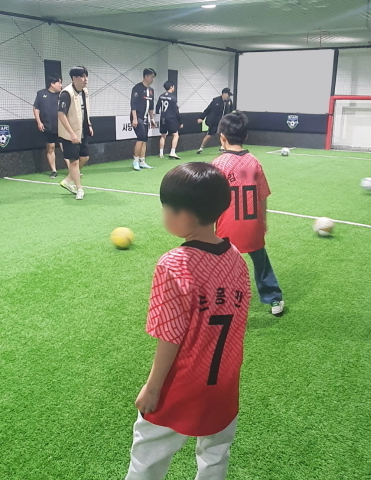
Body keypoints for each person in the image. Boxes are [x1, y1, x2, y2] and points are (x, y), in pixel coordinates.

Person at [125, 162, 251, 480]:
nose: (164, 213)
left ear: (184, 215)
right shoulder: (236, 258)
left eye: (166, 207)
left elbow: (170, 336)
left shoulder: (174, 264)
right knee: (215, 455)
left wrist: (153, 388)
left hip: (183, 384)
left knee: (147, 459)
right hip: (225, 382)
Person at [212, 112, 285, 315]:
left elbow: (211, 199)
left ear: (222, 138)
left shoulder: (218, 165)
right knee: (261, 261)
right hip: (253, 224)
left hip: (227, 227)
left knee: (221, 264)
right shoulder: (253, 163)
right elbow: (262, 196)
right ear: (245, 136)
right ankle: (274, 298)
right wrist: (263, 222)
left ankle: (222, 301)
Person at [57, 66, 93, 200]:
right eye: (83, 76)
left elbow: (84, 111)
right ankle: (79, 189)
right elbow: (61, 115)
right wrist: (71, 133)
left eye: (86, 76)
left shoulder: (84, 91)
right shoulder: (66, 93)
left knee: (85, 158)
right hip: (69, 134)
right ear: (74, 78)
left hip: (82, 131)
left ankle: (67, 181)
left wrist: (88, 124)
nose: (86, 79)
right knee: (74, 162)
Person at [33, 74, 64, 178]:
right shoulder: (41, 94)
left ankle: (72, 169)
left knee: (66, 147)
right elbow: (36, 108)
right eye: (59, 83)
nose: (61, 85)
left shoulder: (62, 95)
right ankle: (54, 171)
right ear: (52, 84)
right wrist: (39, 122)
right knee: (50, 148)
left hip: (61, 126)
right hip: (47, 126)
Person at [131, 68, 157, 171]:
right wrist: (134, 118)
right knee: (141, 138)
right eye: (151, 77)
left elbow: (151, 106)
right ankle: (135, 161)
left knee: (145, 140)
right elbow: (133, 104)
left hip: (146, 117)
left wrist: (152, 119)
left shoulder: (151, 90)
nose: (152, 79)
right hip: (138, 116)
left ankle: (142, 161)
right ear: (146, 76)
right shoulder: (137, 88)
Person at [197, 88, 234, 155]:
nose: (229, 97)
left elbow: (231, 111)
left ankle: (223, 147)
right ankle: (201, 148)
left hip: (224, 122)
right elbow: (208, 109)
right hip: (214, 122)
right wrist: (201, 117)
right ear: (224, 94)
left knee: (224, 134)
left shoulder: (229, 101)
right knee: (209, 135)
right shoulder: (215, 100)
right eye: (228, 95)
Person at [155, 81, 182, 160]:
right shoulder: (173, 98)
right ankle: (172, 152)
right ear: (171, 87)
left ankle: (161, 153)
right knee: (175, 135)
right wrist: (180, 121)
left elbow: (157, 107)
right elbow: (176, 111)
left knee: (163, 135)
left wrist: (157, 114)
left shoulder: (161, 96)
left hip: (162, 117)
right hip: (171, 118)